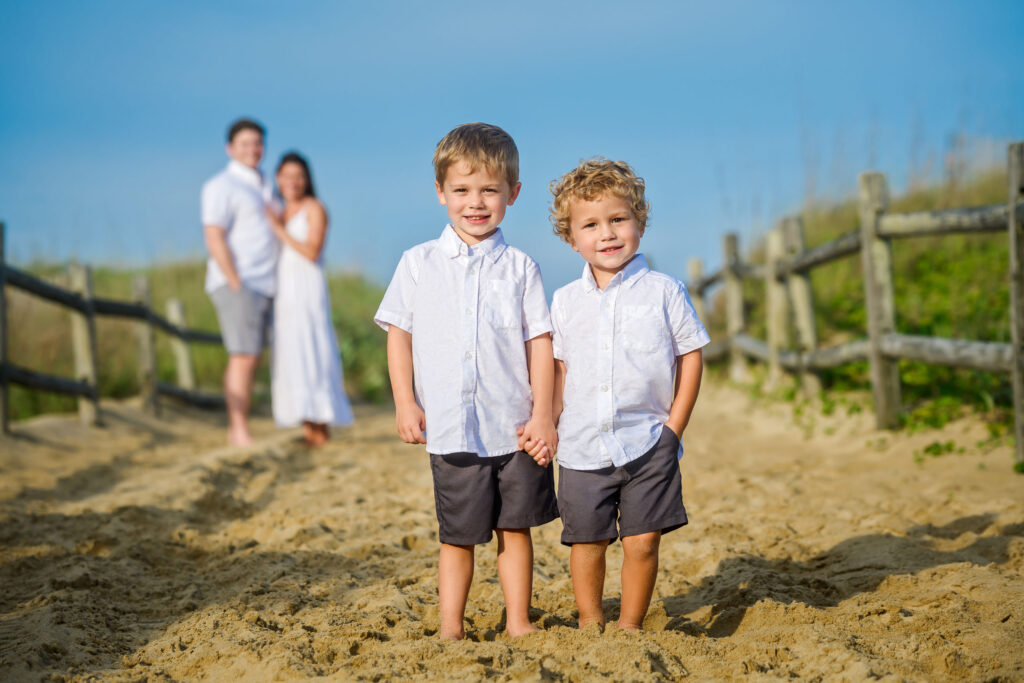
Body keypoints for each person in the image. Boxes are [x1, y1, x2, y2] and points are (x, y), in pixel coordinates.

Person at [374, 122, 559, 640]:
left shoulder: (522, 268)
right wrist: (404, 403)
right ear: (440, 192)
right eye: (461, 190)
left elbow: (539, 343)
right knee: (457, 536)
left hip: (515, 426)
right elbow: (399, 336)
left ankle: (518, 621)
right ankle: (450, 626)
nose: (475, 202)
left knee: (514, 530)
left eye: (489, 191)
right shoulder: (418, 263)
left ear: (512, 194)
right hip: (453, 429)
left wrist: (543, 415)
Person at [548, 158, 709, 631]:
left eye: (619, 219)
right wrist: (549, 423)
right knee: (587, 543)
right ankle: (590, 621)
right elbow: (560, 371)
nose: (607, 234)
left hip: (648, 442)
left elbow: (691, 356)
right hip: (581, 445)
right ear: (571, 237)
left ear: (639, 221)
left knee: (642, 542)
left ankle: (631, 625)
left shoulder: (665, 291)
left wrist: (673, 430)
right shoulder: (563, 301)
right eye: (591, 225)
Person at [266, 152, 354, 446]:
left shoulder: (314, 208)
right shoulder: (278, 209)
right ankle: (307, 426)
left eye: (298, 176)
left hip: (307, 288)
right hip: (285, 291)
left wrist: (278, 230)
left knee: (312, 348)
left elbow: (312, 251)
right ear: (278, 178)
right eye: (287, 176)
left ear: (307, 180)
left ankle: (321, 424)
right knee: (291, 352)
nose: (292, 182)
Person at [201, 118, 279, 446]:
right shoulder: (221, 185)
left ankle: (242, 426)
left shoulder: (265, 185)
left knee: (254, 356)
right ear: (230, 148)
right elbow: (213, 233)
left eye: (257, 143)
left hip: (267, 283)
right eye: (245, 143)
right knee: (243, 355)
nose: (253, 149)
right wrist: (234, 280)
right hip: (241, 281)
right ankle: (238, 429)